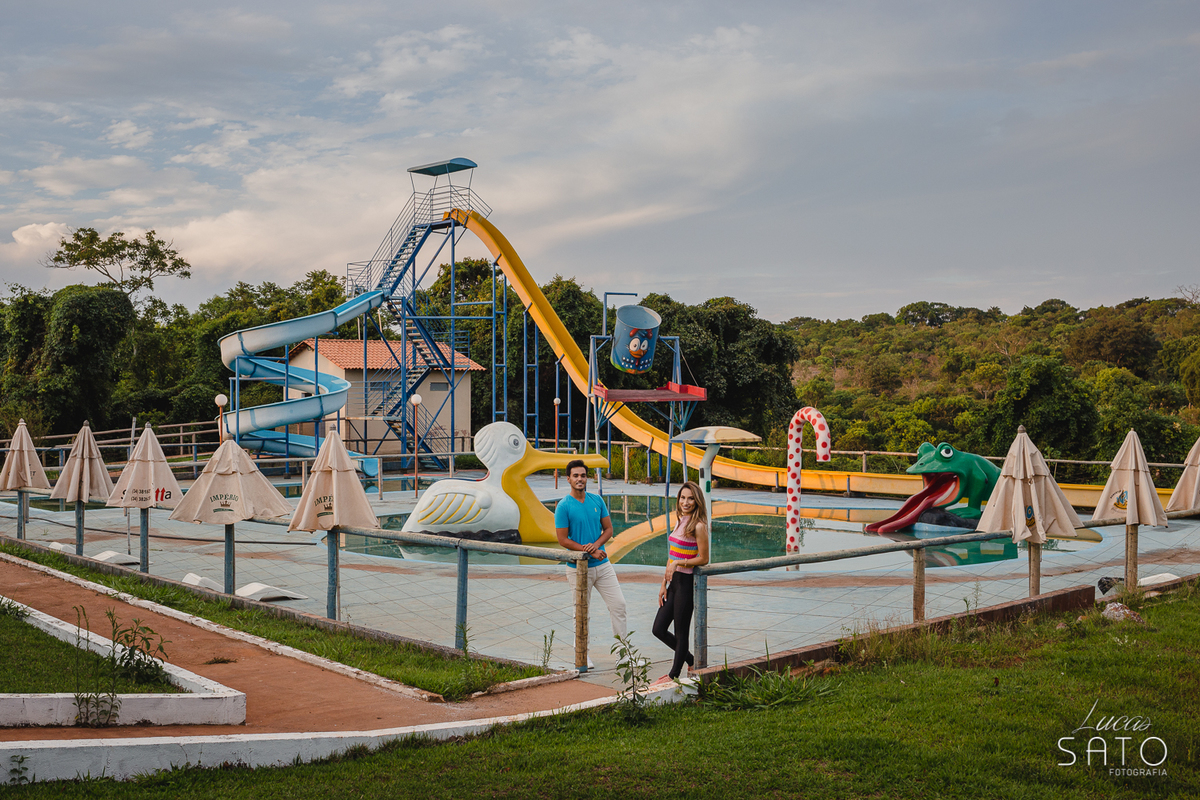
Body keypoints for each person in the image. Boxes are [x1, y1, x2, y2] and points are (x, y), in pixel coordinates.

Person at [554, 460, 627, 667]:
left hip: (602, 566)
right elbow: (563, 540)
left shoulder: (597, 501)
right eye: (575, 476)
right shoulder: (563, 506)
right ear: (568, 479)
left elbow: (609, 530)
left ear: (587, 478)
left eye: (583, 475)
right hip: (577, 568)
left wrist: (595, 548)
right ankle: (582, 654)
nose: (580, 479)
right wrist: (589, 551)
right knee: (581, 612)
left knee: (619, 605)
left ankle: (623, 655)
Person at [652, 481, 709, 682]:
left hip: (686, 583)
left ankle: (673, 675)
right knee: (658, 629)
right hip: (673, 583)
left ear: (697, 501)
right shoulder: (680, 520)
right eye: (683, 497)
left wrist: (679, 563)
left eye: (690, 498)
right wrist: (663, 584)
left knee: (681, 631)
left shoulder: (699, 526)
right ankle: (691, 660)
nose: (686, 502)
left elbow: (704, 558)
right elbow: (672, 555)